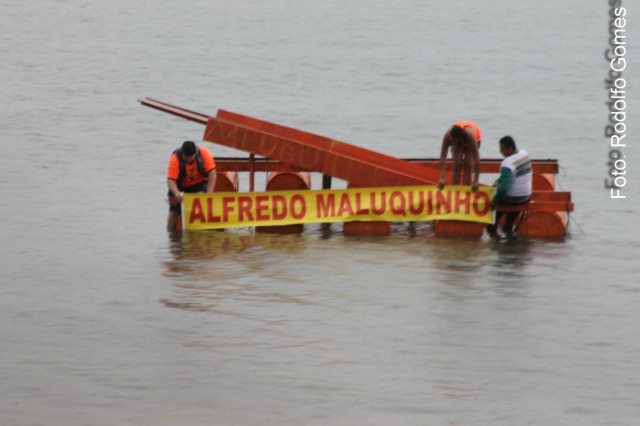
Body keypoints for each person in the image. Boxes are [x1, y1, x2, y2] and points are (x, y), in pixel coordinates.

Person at [166, 140, 217, 231]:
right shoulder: (175, 159)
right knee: (174, 209)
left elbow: (212, 173)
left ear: (195, 153)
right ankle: (171, 234)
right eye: (187, 157)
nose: (189, 160)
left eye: (191, 157)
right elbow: (171, 180)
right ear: (182, 153)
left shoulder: (203, 153)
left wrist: (209, 194)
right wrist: (177, 193)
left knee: (202, 198)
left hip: (199, 184)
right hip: (180, 186)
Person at [488, 136, 532, 236]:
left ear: (510, 148)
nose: (501, 151)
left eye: (502, 149)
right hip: (526, 197)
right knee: (509, 219)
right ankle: (510, 236)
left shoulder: (506, 163)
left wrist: (494, 202)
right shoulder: (524, 154)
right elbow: (513, 175)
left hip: (513, 199)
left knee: (492, 219)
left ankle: (494, 238)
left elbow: (504, 188)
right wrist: (499, 181)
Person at [438, 121, 481, 192]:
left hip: (474, 139)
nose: (453, 142)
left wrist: (475, 181)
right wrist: (442, 178)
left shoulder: (470, 136)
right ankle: (455, 192)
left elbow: (477, 160)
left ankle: (467, 191)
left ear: (460, 140)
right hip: (458, 138)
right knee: (456, 165)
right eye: (452, 141)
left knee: (468, 165)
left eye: (455, 142)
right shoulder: (448, 137)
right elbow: (442, 158)